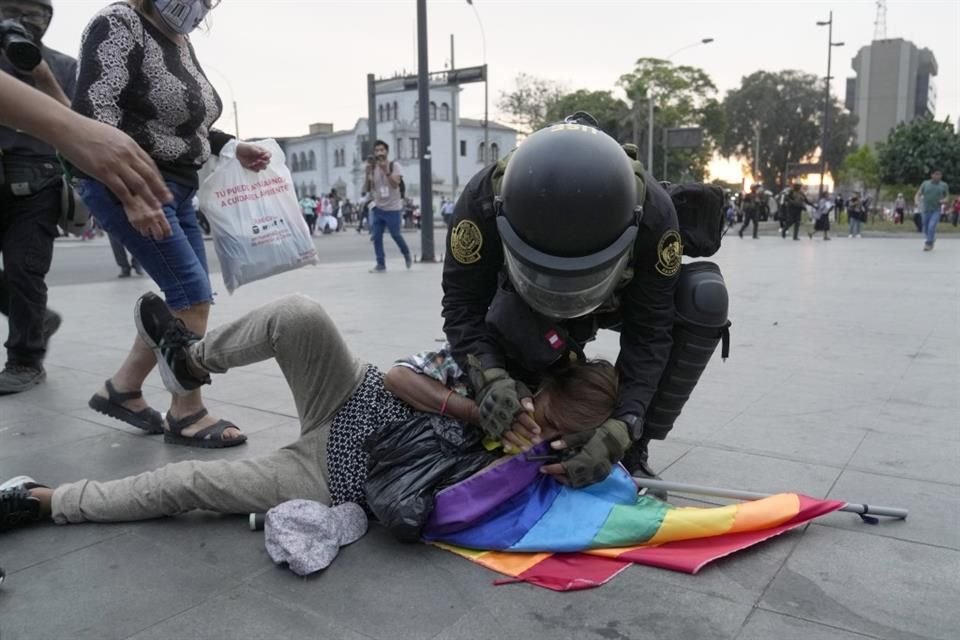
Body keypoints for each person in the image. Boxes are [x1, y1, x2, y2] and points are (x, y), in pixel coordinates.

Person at [0, 292, 618, 529]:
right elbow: (403, 376)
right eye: (547, 413)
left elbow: (463, 511)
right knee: (299, 315)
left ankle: (46, 499)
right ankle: (190, 359)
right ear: (546, 389)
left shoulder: (540, 465)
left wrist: (531, 458)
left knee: (188, 484)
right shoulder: (497, 373)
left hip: (333, 478)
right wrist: (475, 410)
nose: (540, 426)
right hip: (350, 393)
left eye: (558, 434)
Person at [441, 118, 727, 490]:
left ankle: (631, 450)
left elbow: (650, 332)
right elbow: (463, 306)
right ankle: (524, 421)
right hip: (522, 303)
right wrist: (490, 378)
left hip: (618, 298)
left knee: (704, 296)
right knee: (511, 361)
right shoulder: (481, 201)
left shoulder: (654, 216)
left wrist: (625, 424)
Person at [71, 0, 271, 444]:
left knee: (188, 299)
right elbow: (93, 115)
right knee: (192, 295)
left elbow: (185, 122)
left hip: (176, 186)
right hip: (133, 181)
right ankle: (187, 410)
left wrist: (231, 145)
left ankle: (122, 389)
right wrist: (132, 194)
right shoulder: (119, 23)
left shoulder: (179, 40)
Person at [0, 0, 75, 394]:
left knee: (23, 269)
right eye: (11, 10)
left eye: (34, 14)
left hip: (38, 184)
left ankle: (25, 360)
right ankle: (38, 319)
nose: (22, 20)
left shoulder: (63, 66)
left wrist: (41, 73)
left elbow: (80, 125)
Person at [366, 141, 411, 272]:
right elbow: (368, 188)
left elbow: (395, 184)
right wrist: (367, 173)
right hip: (379, 208)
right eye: (377, 150)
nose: (379, 153)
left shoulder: (394, 166)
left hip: (393, 208)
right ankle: (381, 264)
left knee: (396, 234)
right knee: (377, 237)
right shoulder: (373, 168)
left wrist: (386, 171)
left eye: (382, 150)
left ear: (386, 151)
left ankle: (406, 253)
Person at [914, 169, 949, 252]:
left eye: (940, 174)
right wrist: (916, 201)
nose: (938, 176)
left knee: (931, 226)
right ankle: (932, 239)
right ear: (932, 175)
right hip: (925, 210)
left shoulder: (944, 185)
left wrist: (943, 201)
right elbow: (918, 193)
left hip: (936, 210)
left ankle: (928, 243)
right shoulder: (925, 183)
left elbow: (947, 197)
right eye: (936, 174)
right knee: (925, 229)